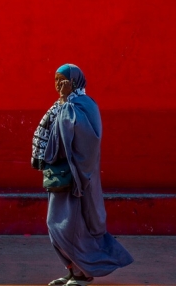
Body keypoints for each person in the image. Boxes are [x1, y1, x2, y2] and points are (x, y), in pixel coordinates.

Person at [31, 64, 133, 285]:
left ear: (75, 82)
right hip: (59, 176)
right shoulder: (61, 105)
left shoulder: (84, 106)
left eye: (63, 80)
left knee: (72, 227)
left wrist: (66, 108)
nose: (59, 85)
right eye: (56, 80)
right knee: (54, 224)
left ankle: (82, 274)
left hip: (77, 179)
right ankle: (72, 270)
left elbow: (89, 141)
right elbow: (47, 133)